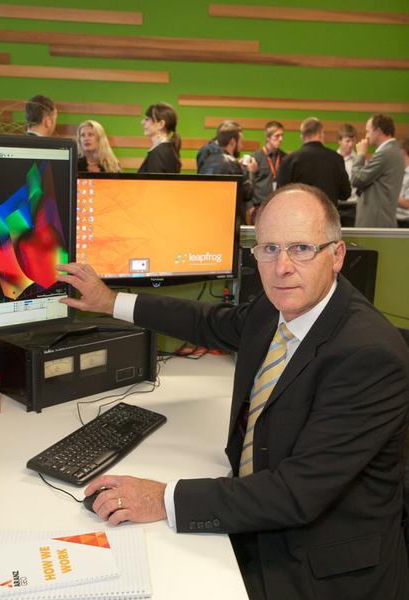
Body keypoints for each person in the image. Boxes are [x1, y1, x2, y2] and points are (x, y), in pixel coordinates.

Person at [57, 183, 409, 600]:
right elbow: (209, 322)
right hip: (262, 511)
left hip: (321, 563)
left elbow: (297, 494)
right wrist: (110, 299)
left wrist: (164, 498)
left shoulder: (369, 355)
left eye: (301, 248)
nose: (282, 267)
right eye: (269, 249)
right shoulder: (275, 307)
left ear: (336, 256)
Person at [277, 117, 351, 206]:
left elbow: (280, 195)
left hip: (300, 215)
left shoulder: (289, 160)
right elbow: (345, 194)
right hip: (328, 215)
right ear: (320, 133)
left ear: (302, 136)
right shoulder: (336, 159)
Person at [198, 121, 258, 223]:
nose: (241, 146)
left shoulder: (208, 160)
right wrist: (251, 172)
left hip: (209, 217)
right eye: (240, 142)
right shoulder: (231, 163)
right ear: (232, 142)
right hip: (229, 221)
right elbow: (247, 194)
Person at [351, 114, 405, 227]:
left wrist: (360, 154)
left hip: (375, 221)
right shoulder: (394, 150)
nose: (366, 136)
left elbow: (357, 180)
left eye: (368, 131)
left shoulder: (385, 153)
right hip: (381, 218)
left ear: (378, 130)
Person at [138, 102, 181, 173]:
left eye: (147, 119)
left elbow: (153, 183)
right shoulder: (168, 150)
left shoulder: (158, 154)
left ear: (161, 124)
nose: (142, 122)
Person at [252, 120, 286, 206]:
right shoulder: (256, 157)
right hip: (259, 205)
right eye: (277, 136)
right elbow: (250, 182)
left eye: (282, 135)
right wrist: (249, 206)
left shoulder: (285, 158)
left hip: (279, 204)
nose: (281, 139)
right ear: (268, 138)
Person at [336, 124, 359, 226]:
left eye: (353, 141)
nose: (351, 145)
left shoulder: (359, 160)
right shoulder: (332, 159)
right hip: (336, 205)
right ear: (339, 141)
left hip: (353, 206)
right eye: (347, 141)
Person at [396, 137, 409, 228]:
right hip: (395, 220)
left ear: (402, 152)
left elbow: (407, 204)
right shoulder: (398, 172)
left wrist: (385, 194)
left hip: (406, 223)